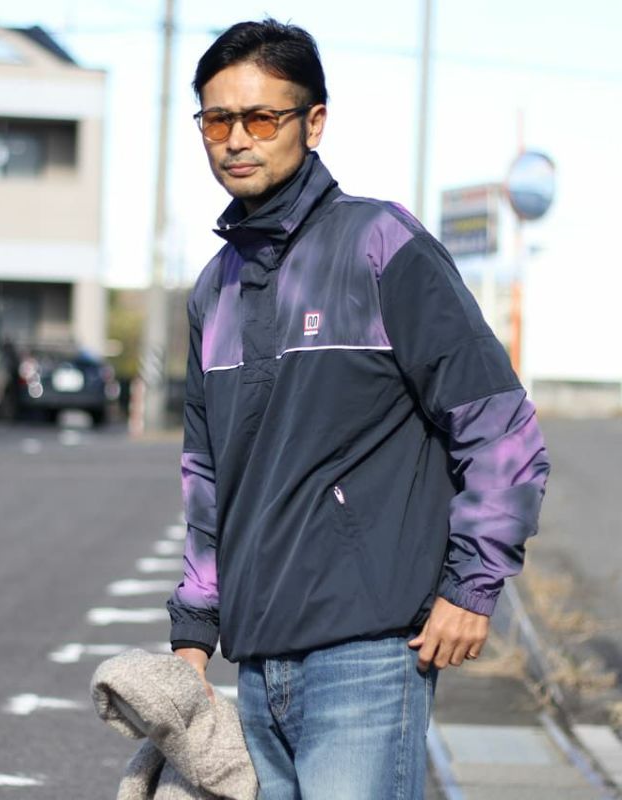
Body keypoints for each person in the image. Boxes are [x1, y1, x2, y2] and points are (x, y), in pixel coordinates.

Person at [167, 18, 549, 800]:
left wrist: (471, 586)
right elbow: (207, 478)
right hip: (257, 659)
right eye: (216, 120)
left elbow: (500, 427)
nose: (235, 140)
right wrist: (193, 633)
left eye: (260, 118)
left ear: (312, 123)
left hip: (368, 653)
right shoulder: (213, 289)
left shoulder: (381, 246)